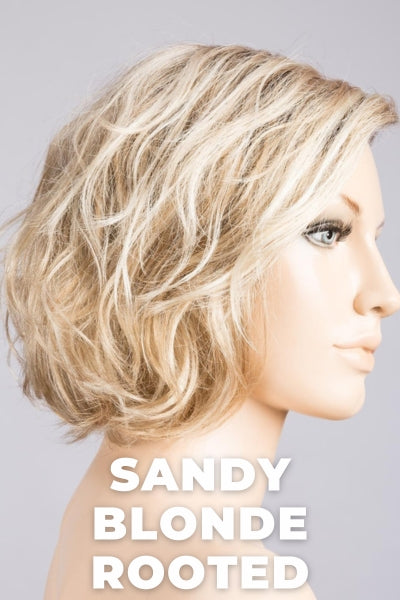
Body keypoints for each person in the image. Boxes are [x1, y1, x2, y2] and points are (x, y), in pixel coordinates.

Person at [2, 43, 400, 599]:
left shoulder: (106, 513)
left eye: (373, 239)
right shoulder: (237, 583)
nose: (384, 295)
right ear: (190, 246)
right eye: (327, 232)